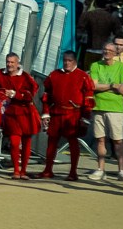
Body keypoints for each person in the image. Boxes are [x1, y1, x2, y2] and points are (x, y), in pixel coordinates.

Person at [39, 50, 94, 180]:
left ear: (75, 61)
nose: (66, 63)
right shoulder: (54, 75)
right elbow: (47, 96)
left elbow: (89, 98)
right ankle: (47, 170)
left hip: (73, 115)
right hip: (57, 113)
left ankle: (73, 172)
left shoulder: (83, 77)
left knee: (73, 142)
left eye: (69, 60)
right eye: (65, 60)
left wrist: (85, 116)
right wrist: (46, 113)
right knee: (51, 142)